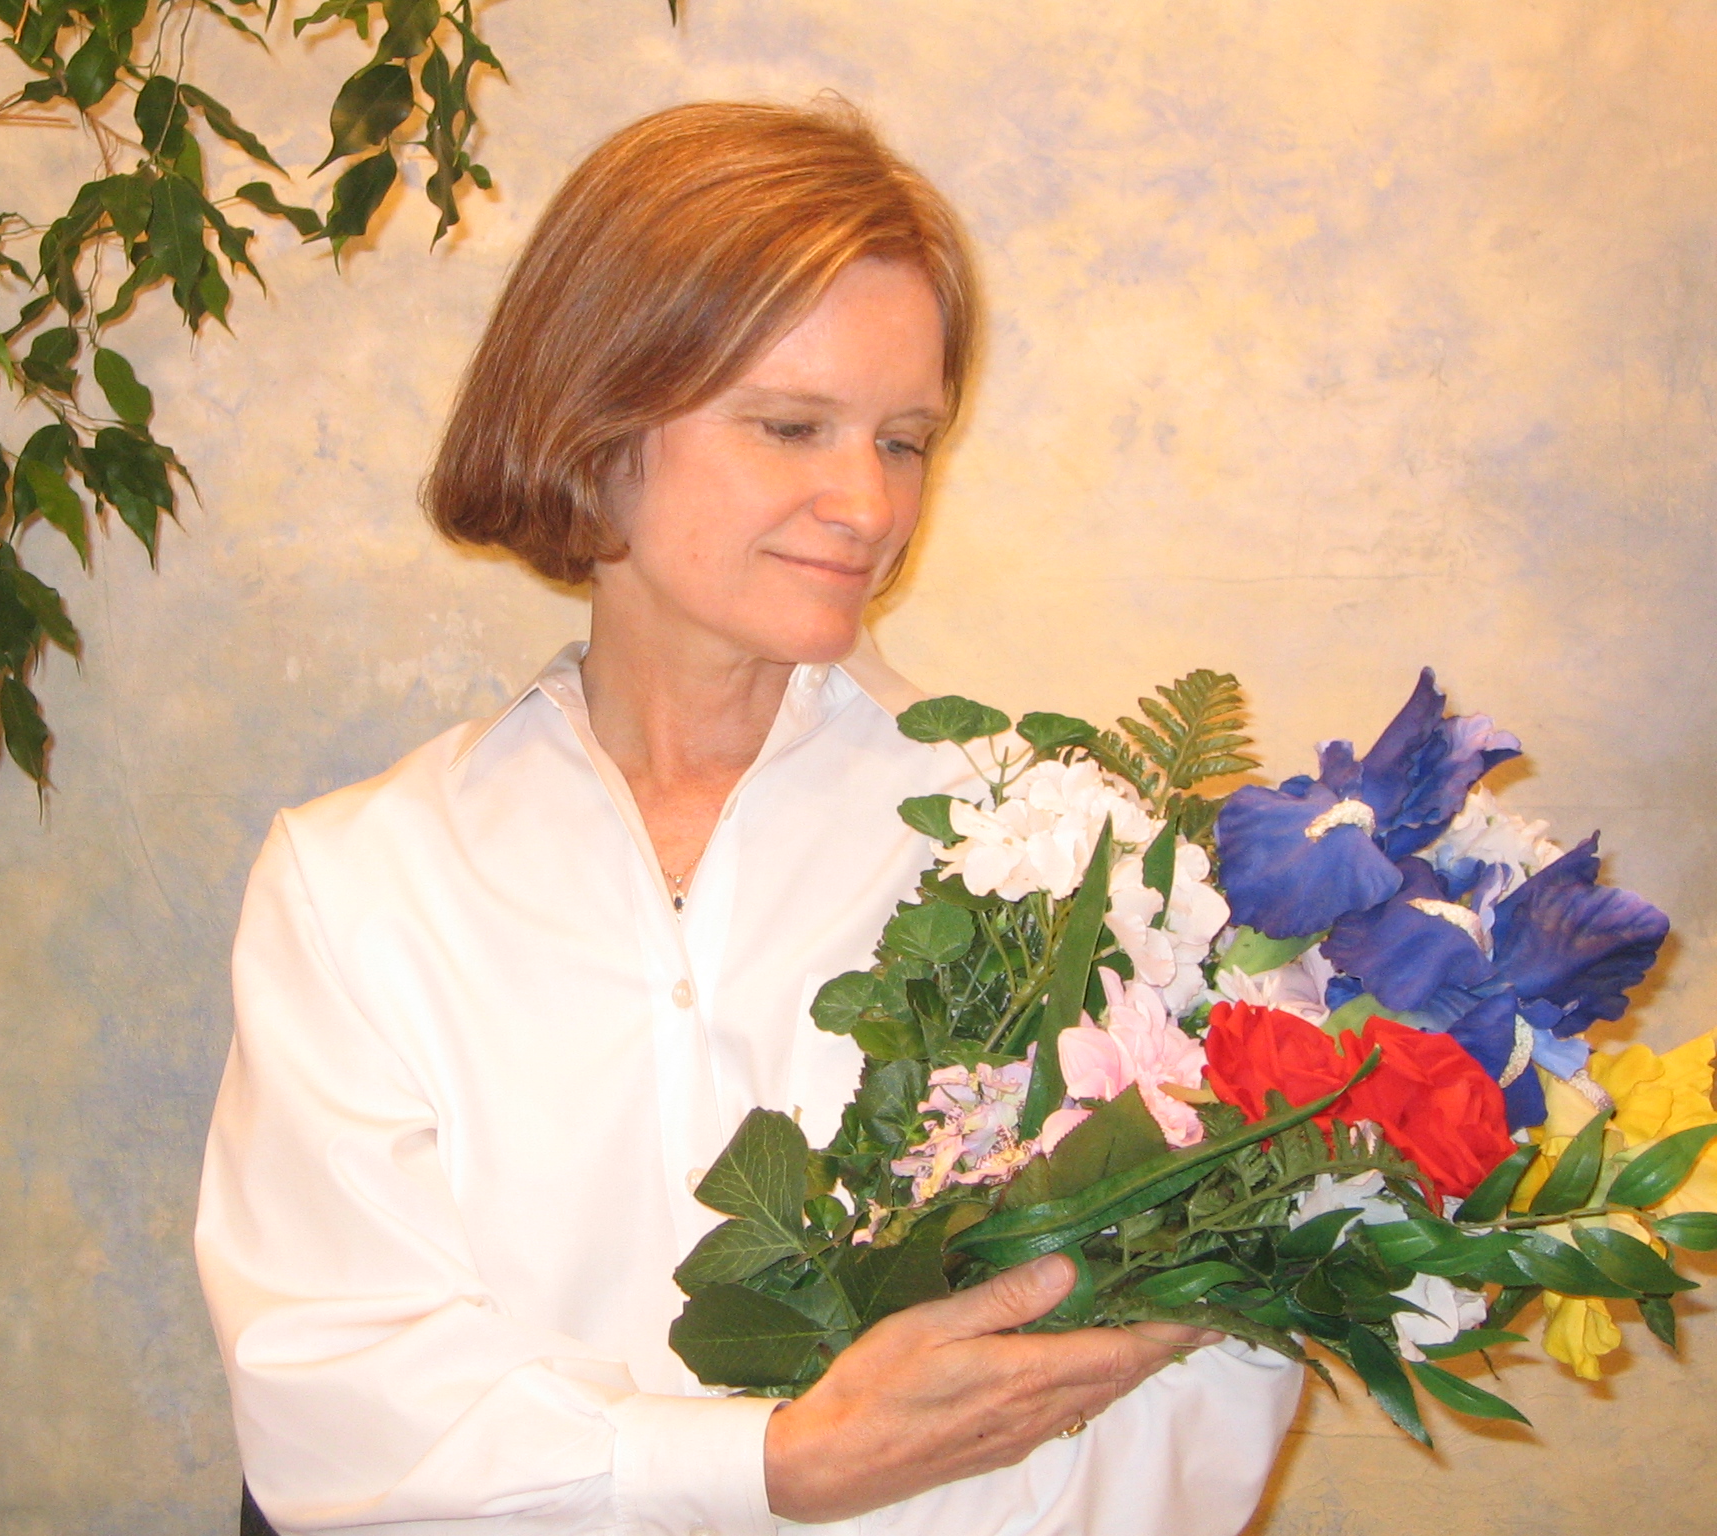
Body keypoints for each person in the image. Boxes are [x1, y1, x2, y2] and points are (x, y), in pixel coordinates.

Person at [195, 101, 1303, 1536]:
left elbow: (1198, 1362)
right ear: (595, 426)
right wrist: (771, 1467)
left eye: (904, 440)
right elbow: (342, 1411)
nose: (868, 504)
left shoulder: (1070, 856)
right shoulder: (362, 885)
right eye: (791, 427)